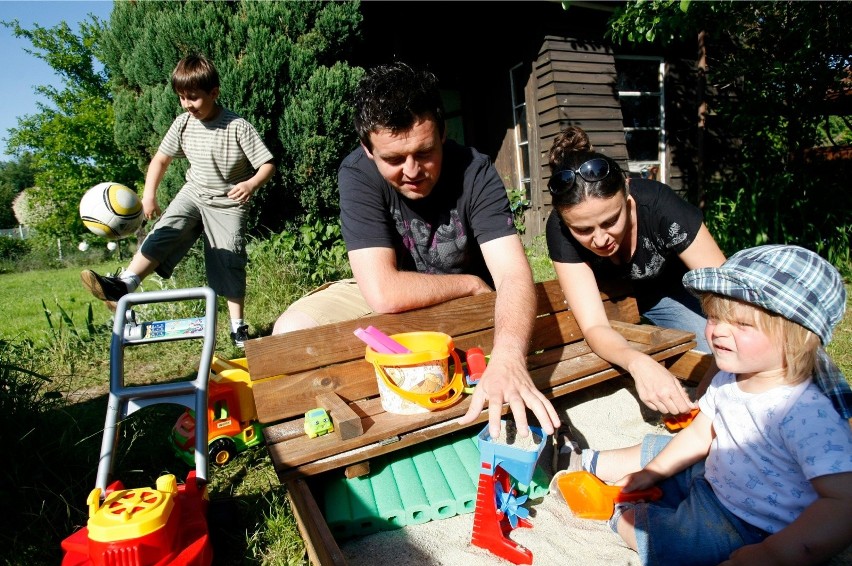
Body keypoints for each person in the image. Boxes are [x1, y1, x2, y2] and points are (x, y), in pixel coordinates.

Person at [272, 61, 560, 438]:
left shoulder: (476, 171)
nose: (412, 170)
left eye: (424, 152)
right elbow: (382, 293)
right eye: (392, 159)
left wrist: (508, 357)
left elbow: (514, 274)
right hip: (400, 297)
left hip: (462, 308)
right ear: (368, 150)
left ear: (442, 132)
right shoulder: (357, 173)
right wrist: (470, 283)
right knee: (288, 331)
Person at [552, 245, 852, 566]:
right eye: (714, 317)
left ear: (795, 338)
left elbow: (843, 502)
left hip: (752, 526)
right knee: (663, 450)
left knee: (672, 542)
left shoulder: (805, 412)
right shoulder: (731, 377)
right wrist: (650, 474)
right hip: (714, 475)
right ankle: (592, 462)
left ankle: (618, 514)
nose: (718, 331)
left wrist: (773, 554)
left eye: (741, 324)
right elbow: (699, 435)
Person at [80, 54, 275, 348]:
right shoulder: (183, 123)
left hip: (227, 202)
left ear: (214, 93)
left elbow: (267, 164)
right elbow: (160, 160)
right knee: (165, 230)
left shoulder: (237, 127)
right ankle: (124, 285)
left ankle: (238, 329)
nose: (187, 104)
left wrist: (251, 183)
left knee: (229, 259)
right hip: (194, 192)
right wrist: (149, 196)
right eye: (182, 98)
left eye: (193, 98)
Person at [545, 126, 726, 416]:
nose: (601, 239)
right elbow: (594, 326)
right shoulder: (559, 229)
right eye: (583, 230)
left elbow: (727, 293)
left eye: (610, 221)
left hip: (678, 289)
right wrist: (638, 362)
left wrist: (717, 370)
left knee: (726, 352)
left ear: (628, 199)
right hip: (627, 301)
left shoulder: (659, 205)